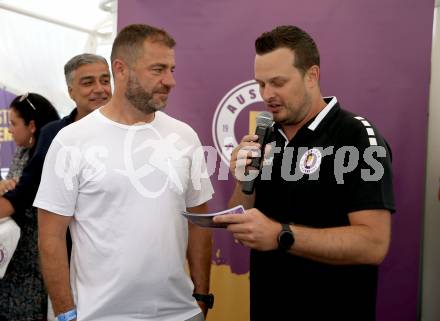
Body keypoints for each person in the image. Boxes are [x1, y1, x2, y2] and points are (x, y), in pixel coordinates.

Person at [214, 25, 395, 321]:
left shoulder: (356, 135)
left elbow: (374, 244)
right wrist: (244, 181)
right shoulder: (267, 137)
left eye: (278, 82)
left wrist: (281, 235)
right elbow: (246, 222)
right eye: (261, 84)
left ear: (312, 75)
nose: (267, 94)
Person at [35, 24, 214, 321]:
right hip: (99, 315)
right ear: (121, 69)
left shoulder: (184, 137)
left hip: (180, 314)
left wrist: (202, 297)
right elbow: (50, 237)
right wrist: (66, 314)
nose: (170, 81)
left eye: (171, 69)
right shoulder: (71, 141)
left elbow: (200, 222)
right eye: (158, 69)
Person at [0, 92, 60, 321]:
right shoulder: (21, 152)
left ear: (32, 126)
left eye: (14, 124)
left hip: (34, 256)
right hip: (11, 254)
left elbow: (20, 200)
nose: (11, 130)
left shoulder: (45, 159)